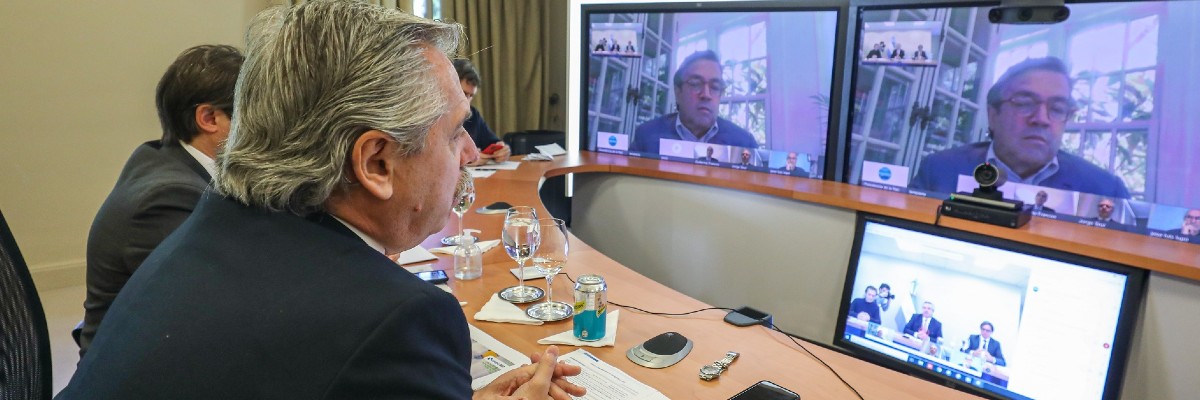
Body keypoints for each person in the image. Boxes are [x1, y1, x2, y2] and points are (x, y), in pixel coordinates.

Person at [59, 2, 586, 399]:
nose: (470, 152)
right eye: (453, 134)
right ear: (376, 163)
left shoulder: (209, 226)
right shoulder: (396, 320)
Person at [77, 45, 244, 357]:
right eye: (257, 113)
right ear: (209, 118)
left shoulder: (163, 157)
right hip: (138, 368)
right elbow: (214, 308)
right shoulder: (166, 199)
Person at [910, 57, 1130, 199]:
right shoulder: (939, 170)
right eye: (1024, 103)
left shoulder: (1105, 191)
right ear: (993, 115)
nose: (1041, 119)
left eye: (1057, 108)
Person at [630, 50, 757, 153]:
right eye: (696, 84)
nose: (706, 95)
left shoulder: (744, 144)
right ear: (678, 91)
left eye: (714, 87)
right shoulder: (646, 137)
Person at [452, 58, 510, 165]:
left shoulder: (473, 115)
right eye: (464, 94)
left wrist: (502, 151)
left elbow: (492, 144)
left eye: (471, 96)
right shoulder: (434, 118)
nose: (467, 101)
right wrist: (466, 160)